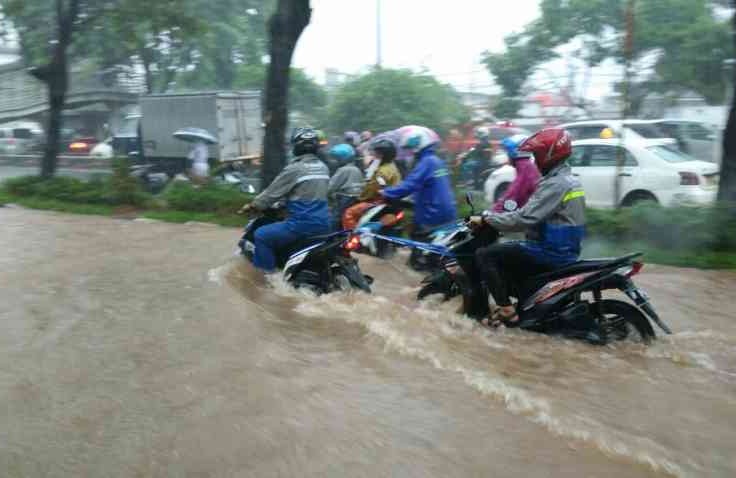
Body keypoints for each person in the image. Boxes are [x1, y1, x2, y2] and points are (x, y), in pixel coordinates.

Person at [470, 128, 585, 327]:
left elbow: (525, 217)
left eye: (537, 155)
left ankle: (507, 310)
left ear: (550, 155)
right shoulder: (566, 179)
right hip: (564, 249)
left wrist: (488, 218)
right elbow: (527, 208)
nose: (535, 160)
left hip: (551, 252)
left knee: (485, 255)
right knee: (509, 253)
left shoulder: (555, 184)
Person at [238, 127, 330, 272]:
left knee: (261, 235)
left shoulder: (295, 168)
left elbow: (270, 194)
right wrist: (284, 205)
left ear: (296, 146)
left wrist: (253, 206)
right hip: (325, 224)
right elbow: (307, 193)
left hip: (302, 225)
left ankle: (265, 279)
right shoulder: (323, 167)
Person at [380, 125, 457, 269]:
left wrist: (386, 193)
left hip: (432, 213)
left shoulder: (426, 162)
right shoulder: (437, 161)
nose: (409, 152)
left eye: (410, 148)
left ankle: (419, 268)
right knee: (432, 248)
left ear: (418, 146)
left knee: (417, 241)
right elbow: (427, 185)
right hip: (447, 211)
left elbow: (409, 185)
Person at [342, 135, 403, 230]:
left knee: (349, 213)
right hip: (390, 200)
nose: (374, 154)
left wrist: (360, 198)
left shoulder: (382, 171)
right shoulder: (391, 166)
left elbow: (372, 189)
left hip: (379, 201)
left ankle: (352, 236)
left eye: (376, 152)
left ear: (382, 154)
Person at [492, 134, 540, 213]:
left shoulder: (525, 170)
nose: (507, 155)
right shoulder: (527, 166)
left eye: (508, 152)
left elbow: (512, 196)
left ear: (514, 152)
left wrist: (493, 212)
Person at [327, 143, 364, 231]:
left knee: (336, 218)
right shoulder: (356, 169)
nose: (334, 161)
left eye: (336, 159)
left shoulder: (343, 170)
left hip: (345, 198)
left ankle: (331, 237)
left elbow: (331, 187)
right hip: (356, 198)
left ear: (341, 158)